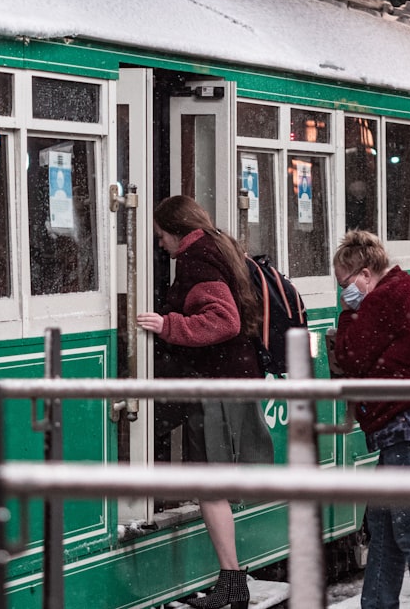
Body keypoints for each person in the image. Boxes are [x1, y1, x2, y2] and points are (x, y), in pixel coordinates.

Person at [136, 196, 273, 609]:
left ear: (175, 230)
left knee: (210, 487)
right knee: (211, 485)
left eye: (160, 235)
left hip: (217, 383)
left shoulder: (196, 259)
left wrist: (167, 324)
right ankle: (232, 580)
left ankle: (232, 582)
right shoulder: (219, 247)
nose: (159, 245)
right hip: (232, 378)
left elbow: (224, 319)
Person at [330, 230, 410, 609]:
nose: (344, 292)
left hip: (408, 426)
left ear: (365, 274)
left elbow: (350, 355)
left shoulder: (385, 299)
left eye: (345, 284)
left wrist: (348, 315)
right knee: (384, 528)